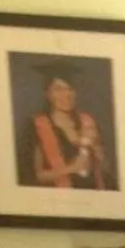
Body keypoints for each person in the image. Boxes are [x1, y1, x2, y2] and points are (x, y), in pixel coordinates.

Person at [17, 61, 112, 191]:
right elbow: (34, 176)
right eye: (59, 89)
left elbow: (106, 170)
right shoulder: (36, 126)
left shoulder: (87, 122)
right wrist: (72, 168)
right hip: (53, 201)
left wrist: (96, 147)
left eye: (70, 89)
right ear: (48, 94)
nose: (66, 95)